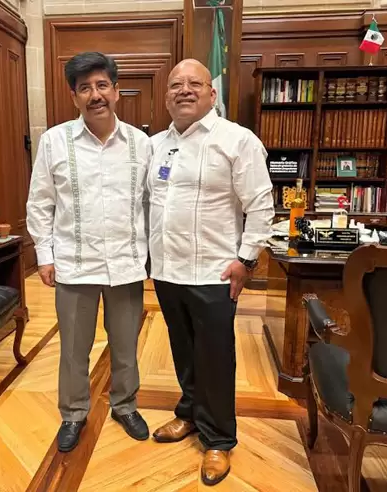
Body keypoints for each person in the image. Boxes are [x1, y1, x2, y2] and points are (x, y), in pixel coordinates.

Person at [147, 59, 275, 486]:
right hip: (167, 269)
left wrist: (247, 259)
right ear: (167, 95)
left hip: (215, 273)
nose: (184, 90)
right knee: (183, 349)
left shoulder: (237, 141)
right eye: (176, 84)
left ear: (212, 92)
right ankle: (189, 413)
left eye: (194, 83)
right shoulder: (156, 145)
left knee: (215, 357)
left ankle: (218, 438)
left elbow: (261, 205)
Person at [25, 52, 152, 453]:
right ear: (74, 96)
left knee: (126, 346)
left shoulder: (141, 144)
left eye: (102, 85)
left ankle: (125, 405)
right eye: (85, 88)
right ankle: (73, 414)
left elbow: (150, 204)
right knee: (73, 350)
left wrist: (152, 254)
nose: (95, 95)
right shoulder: (54, 141)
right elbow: (40, 202)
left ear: (116, 91)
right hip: (74, 264)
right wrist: (44, 255)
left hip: (126, 264)